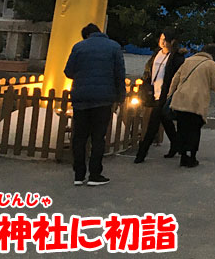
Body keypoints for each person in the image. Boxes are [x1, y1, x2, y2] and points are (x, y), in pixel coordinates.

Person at [64, 23, 126, 186]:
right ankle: (95, 174)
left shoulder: (78, 47)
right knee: (98, 137)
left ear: (86, 36)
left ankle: (78, 175)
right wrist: (120, 96)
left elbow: (68, 72)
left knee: (79, 137)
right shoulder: (114, 47)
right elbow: (119, 74)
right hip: (103, 99)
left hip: (81, 99)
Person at [167, 43, 215, 168]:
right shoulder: (211, 64)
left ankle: (183, 156)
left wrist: (170, 94)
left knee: (182, 129)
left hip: (181, 100)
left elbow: (175, 78)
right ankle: (192, 157)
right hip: (197, 102)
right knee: (194, 130)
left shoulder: (188, 60)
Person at [134, 28, 184, 163]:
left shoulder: (176, 57)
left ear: (172, 41)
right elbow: (150, 72)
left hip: (165, 94)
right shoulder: (156, 54)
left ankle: (142, 152)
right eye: (161, 39)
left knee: (153, 123)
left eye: (165, 39)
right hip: (154, 91)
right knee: (165, 120)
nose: (162, 42)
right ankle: (176, 145)